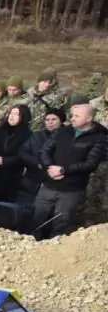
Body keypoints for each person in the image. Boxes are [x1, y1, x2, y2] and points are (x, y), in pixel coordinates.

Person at [31, 100, 105, 239]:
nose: (72, 118)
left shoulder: (99, 138)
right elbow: (44, 151)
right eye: (73, 115)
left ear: (88, 118)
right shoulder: (63, 131)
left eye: (77, 116)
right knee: (37, 217)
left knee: (60, 223)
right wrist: (50, 168)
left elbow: (91, 163)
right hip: (49, 184)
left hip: (71, 190)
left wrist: (63, 170)